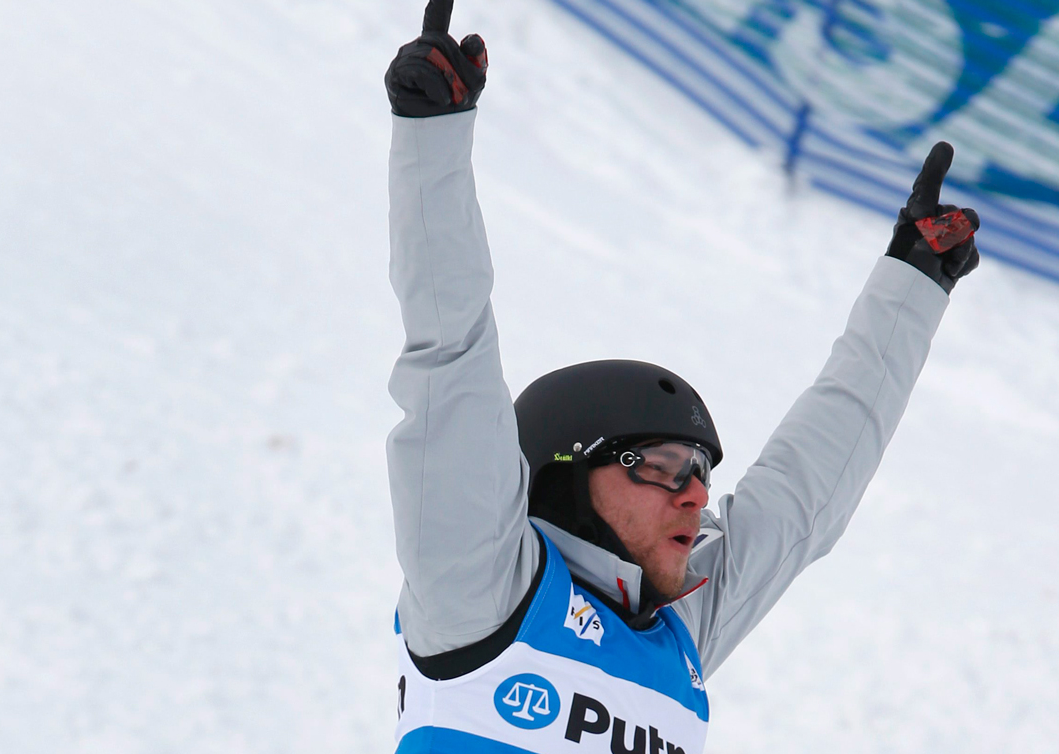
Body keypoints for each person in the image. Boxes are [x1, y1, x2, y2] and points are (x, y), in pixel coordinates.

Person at [383, 1, 980, 751]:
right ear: (567, 474)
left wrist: (915, 283)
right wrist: (432, 138)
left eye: (698, 471)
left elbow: (803, 501)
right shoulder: (482, 588)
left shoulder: (679, 631)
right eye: (660, 467)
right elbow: (450, 356)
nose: (696, 494)